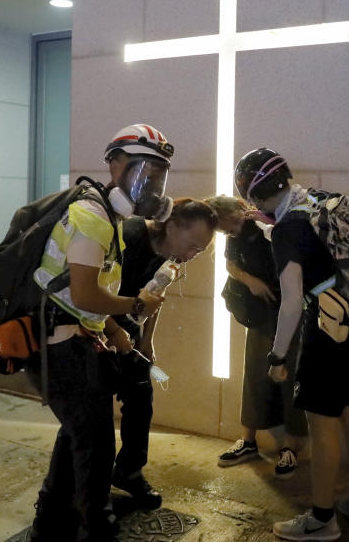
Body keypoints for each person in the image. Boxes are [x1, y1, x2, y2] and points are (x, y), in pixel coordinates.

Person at [29, 124, 174, 542]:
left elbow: (87, 296)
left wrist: (110, 326)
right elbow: (84, 292)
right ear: (113, 164)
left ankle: (49, 522)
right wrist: (135, 306)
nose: (150, 183)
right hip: (60, 345)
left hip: (72, 340)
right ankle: (97, 527)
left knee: (76, 434)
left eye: (158, 174)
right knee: (94, 446)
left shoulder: (106, 216)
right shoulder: (93, 215)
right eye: (141, 169)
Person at [234, 148, 349, 541]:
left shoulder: (288, 229)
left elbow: (292, 301)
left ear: (253, 194)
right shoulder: (317, 202)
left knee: (323, 424)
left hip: (327, 332)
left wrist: (278, 356)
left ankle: (322, 519)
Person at [108, 198, 218, 509]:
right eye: (193, 245)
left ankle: (128, 471)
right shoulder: (126, 236)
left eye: (200, 251)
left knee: (141, 400)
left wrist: (147, 340)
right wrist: (114, 333)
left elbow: (157, 292)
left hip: (129, 332)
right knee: (92, 416)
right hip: (92, 328)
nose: (192, 255)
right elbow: (90, 293)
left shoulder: (173, 255)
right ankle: (85, 487)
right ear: (170, 226)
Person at [205, 195, 307, 478]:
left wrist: (264, 224)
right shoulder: (234, 234)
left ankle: (290, 446)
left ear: (239, 212)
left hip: (291, 308)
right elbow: (230, 264)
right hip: (262, 312)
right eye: (224, 230)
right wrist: (251, 282)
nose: (229, 232)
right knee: (255, 373)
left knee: (290, 374)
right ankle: (248, 440)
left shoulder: (267, 224)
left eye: (231, 225)